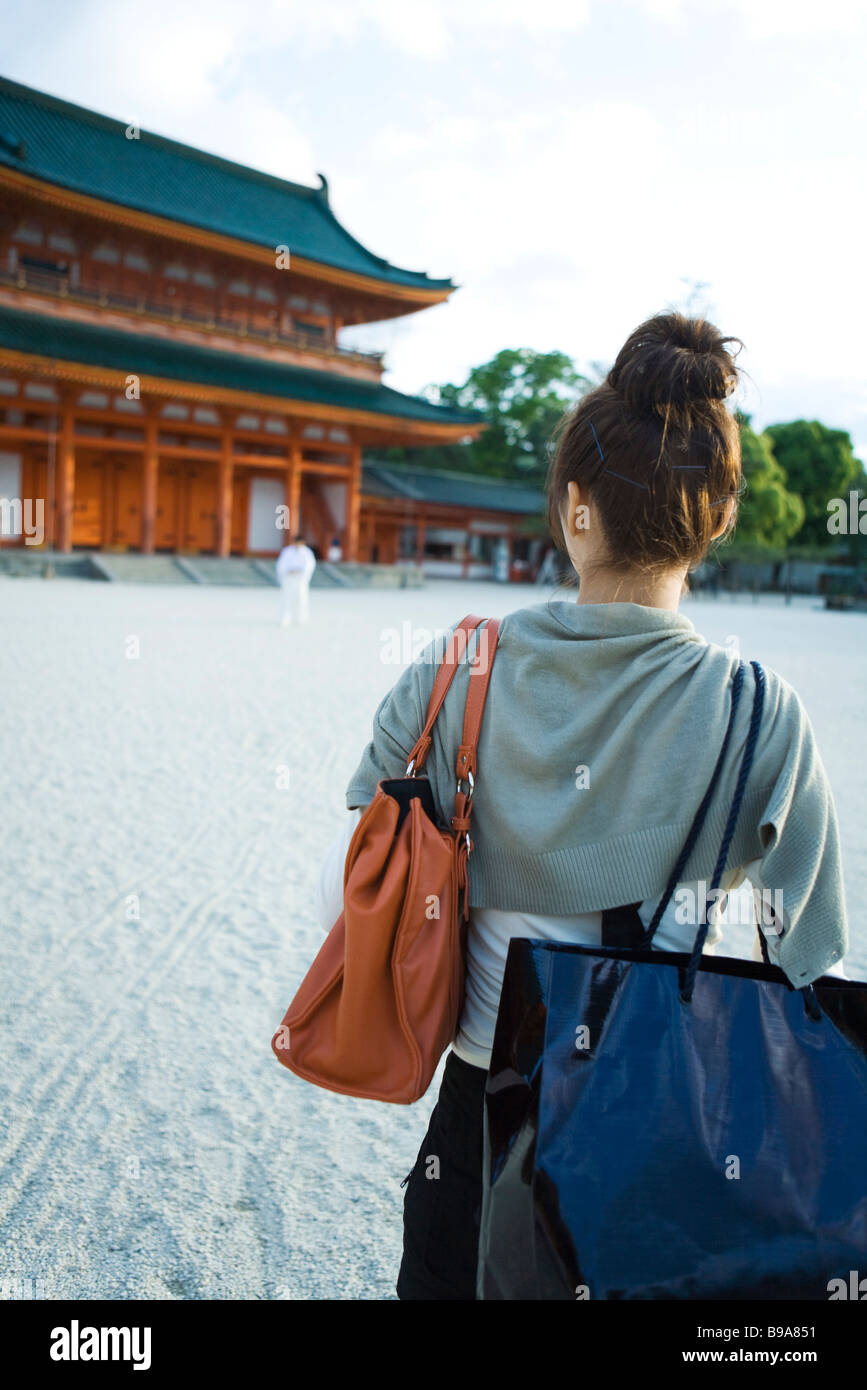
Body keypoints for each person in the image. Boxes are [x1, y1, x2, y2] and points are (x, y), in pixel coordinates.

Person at [314, 313, 850, 1300]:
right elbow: (809, 966)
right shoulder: (760, 713)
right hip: (652, 1133)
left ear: (574, 508)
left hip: (475, 1121)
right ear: (719, 521)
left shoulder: (457, 669)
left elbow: (356, 882)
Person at [276, 534, 316, 626]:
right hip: (288, 577)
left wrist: (302, 573)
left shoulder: (307, 552)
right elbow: (281, 564)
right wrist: (285, 572)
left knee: (301, 598)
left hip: (300, 578)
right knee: (287, 597)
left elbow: (309, 565)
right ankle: (286, 617)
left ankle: (301, 618)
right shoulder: (287, 551)